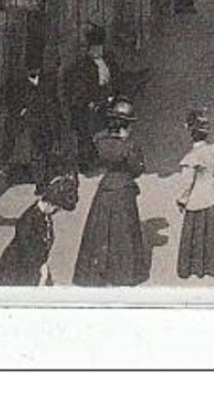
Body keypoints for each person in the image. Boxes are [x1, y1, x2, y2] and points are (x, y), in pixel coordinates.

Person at [72, 99, 149, 287]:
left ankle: (98, 273)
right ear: (127, 123)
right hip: (123, 189)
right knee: (124, 233)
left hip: (105, 187)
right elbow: (137, 169)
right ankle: (124, 274)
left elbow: (93, 161)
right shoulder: (130, 145)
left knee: (100, 230)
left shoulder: (100, 140)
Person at [175, 109, 214, 279]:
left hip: (197, 199)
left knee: (196, 233)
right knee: (213, 232)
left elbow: (187, 184)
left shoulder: (191, 158)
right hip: (212, 197)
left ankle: (195, 266)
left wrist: (181, 200)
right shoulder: (213, 150)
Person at [0, 174, 78, 286]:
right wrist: (42, 271)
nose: (57, 212)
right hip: (18, 270)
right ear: (49, 203)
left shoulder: (45, 217)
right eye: (57, 208)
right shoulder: (28, 220)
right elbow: (27, 251)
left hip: (35, 268)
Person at [63, 25, 115, 174]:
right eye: (96, 49)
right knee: (85, 136)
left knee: (97, 133)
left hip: (100, 103)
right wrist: (89, 102)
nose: (99, 51)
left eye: (100, 48)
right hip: (85, 107)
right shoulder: (84, 66)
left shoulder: (103, 61)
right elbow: (81, 88)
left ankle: (95, 159)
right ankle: (86, 164)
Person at [7, 60, 60, 189]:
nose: (34, 72)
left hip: (46, 123)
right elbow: (14, 102)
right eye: (31, 69)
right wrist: (22, 110)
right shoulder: (20, 84)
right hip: (30, 125)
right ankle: (40, 183)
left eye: (36, 69)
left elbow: (53, 102)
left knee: (46, 152)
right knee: (37, 154)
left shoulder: (47, 83)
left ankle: (45, 178)